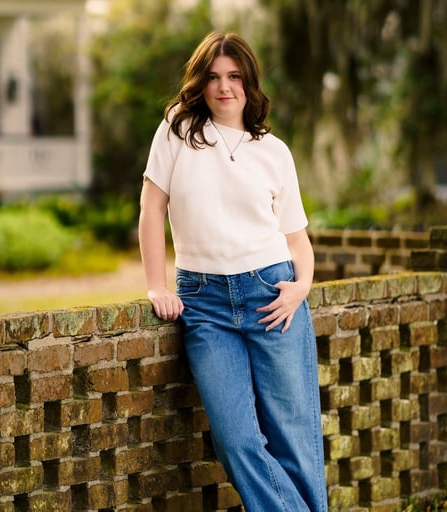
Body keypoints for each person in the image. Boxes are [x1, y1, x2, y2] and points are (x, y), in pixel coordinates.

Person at [138, 31, 328, 512]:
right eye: (214, 77)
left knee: (295, 440)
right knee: (237, 439)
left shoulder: (274, 152)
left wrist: (300, 288)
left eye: (235, 77)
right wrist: (157, 285)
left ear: (249, 83)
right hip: (204, 305)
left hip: (273, 294)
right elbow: (150, 209)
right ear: (201, 84)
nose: (225, 88)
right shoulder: (178, 130)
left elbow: (296, 239)